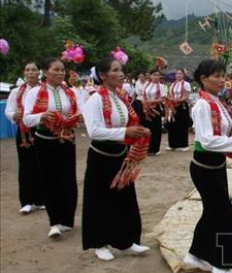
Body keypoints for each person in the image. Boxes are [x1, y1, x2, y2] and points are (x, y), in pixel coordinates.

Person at [182, 60, 232, 273]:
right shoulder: (202, 105)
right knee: (224, 215)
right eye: (216, 75)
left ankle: (196, 254)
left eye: (223, 75)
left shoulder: (218, 103)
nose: (221, 79)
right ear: (203, 79)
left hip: (216, 165)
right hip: (204, 166)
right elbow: (207, 140)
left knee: (212, 212)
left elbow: (226, 132)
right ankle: (221, 264)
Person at [82, 58, 152, 261]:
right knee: (99, 199)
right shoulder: (95, 99)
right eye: (115, 70)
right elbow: (94, 131)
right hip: (102, 157)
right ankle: (99, 242)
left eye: (121, 70)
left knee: (124, 199)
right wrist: (125, 131)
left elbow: (127, 123)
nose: (121, 74)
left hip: (120, 155)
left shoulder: (120, 97)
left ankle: (125, 241)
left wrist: (138, 131)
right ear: (103, 76)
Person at [23, 58, 81, 239]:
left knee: (68, 180)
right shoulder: (34, 93)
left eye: (63, 70)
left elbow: (78, 113)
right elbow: (26, 119)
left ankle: (67, 219)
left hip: (67, 140)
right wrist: (42, 115)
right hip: (45, 141)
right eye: (56, 69)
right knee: (50, 181)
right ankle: (54, 222)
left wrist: (76, 118)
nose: (61, 73)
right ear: (45, 72)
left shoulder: (70, 93)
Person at [5, 61, 44, 214]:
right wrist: (15, 115)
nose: (30, 73)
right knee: (26, 165)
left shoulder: (44, 90)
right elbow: (9, 110)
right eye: (27, 70)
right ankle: (26, 201)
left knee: (41, 164)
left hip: (41, 129)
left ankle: (41, 199)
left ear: (38, 73)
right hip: (23, 131)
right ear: (24, 73)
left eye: (33, 70)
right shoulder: (16, 92)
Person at [141, 68, 166, 155]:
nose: (156, 77)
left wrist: (151, 102)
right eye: (154, 75)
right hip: (146, 108)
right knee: (147, 127)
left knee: (155, 128)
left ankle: (154, 149)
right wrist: (145, 105)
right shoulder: (146, 85)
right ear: (151, 76)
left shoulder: (161, 87)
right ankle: (146, 148)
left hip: (156, 108)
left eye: (158, 75)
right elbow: (143, 96)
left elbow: (162, 99)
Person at [166, 69, 191, 151]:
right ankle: (173, 144)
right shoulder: (173, 84)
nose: (178, 75)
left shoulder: (186, 84)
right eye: (177, 74)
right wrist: (171, 101)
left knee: (182, 124)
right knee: (173, 125)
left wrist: (177, 100)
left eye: (180, 73)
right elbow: (169, 95)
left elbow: (186, 96)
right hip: (173, 106)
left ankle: (184, 144)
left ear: (183, 75)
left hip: (182, 105)